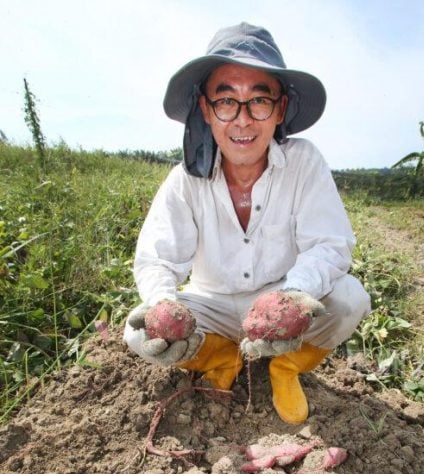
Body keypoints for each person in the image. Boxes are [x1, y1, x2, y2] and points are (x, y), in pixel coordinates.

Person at [124, 22, 370, 425]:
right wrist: (163, 304)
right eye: (226, 102)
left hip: (279, 296)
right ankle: (221, 356)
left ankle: (286, 366)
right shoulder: (185, 179)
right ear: (206, 109)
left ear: (280, 109)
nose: (242, 120)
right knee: (139, 331)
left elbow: (330, 244)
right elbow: (156, 259)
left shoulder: (304, 162)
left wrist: (291, 297)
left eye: (259, 101)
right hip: (213, 304)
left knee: (349, 299)